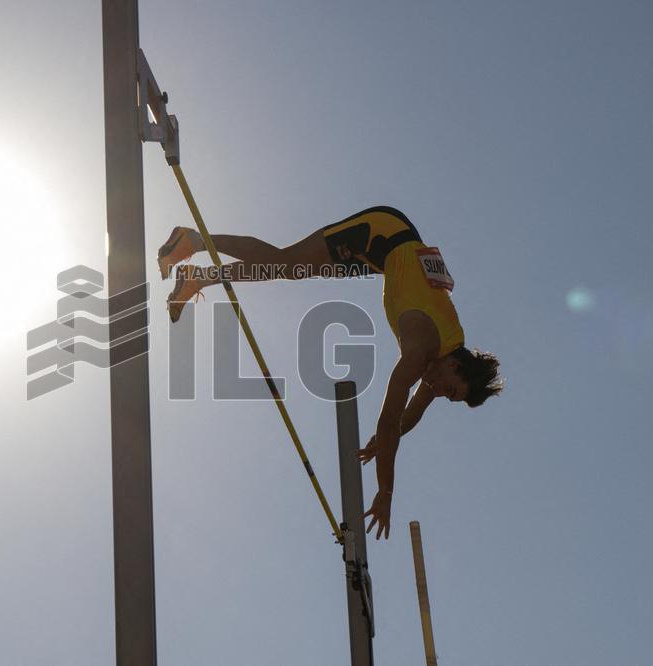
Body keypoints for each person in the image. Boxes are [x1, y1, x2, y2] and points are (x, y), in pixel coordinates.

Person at [158, 206, 503, 540]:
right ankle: (192, 240)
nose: (438, 392)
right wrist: (385, 490)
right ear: (455, 366)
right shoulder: (423, 350)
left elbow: (408, 416)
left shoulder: (443, 357)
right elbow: (390, 420)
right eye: (449, 390)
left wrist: (385, 440)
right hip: (384, 233)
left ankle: (197, 279)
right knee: (285, 263)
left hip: (383, 257)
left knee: (287, 268)